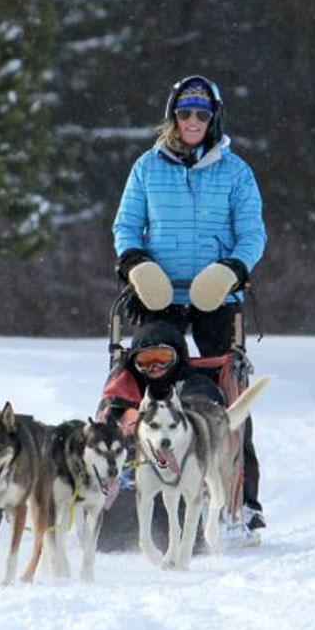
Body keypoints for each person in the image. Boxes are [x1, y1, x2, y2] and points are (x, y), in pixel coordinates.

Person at [110, 74, 267, 531]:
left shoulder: (236, 172)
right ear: (172, 116)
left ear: (214, 118)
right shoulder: (146, 167)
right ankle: (133, 481)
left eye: (201, 113)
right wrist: (136, 264)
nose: (192, 121)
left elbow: (253, 233)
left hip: (215, 294)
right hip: (159, 293)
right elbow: (126, 226)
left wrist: (232, 269)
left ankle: (243, 499)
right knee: (148, 375)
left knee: (222, 387)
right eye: (184, 112)